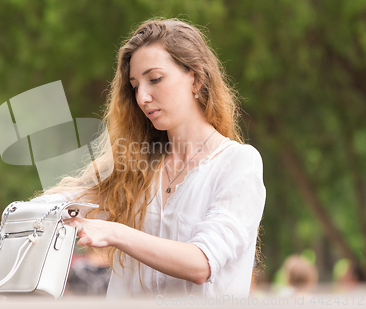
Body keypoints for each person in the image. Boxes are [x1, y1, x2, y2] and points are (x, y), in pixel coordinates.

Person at [33, 18, 266, 298]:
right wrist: (27, 211)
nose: (142, 96)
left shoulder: (239, 164)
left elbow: (201, 263)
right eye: (135, 85)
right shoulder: (134, 167)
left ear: (197, 78)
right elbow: (69, 200)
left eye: (155, 79)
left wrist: (115, 233)